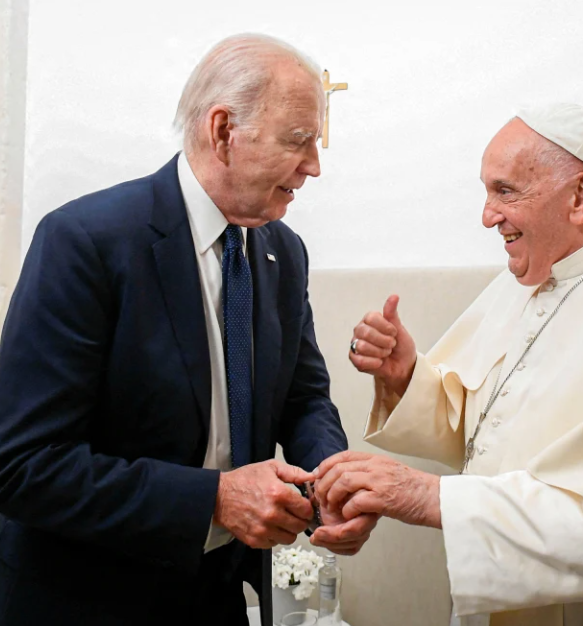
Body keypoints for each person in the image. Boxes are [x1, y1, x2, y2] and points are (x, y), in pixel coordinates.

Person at [0, 34, 376, 626]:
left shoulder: (283, 251)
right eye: (298, 142)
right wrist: (217, 499)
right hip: (88, 599)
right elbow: (23, 465)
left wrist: (333, 479)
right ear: (223, 130)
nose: (314, 167)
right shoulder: (85, 243)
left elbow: (302, 398)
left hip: (216, 595)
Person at [313, 103, 583, 625]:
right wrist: (404, 376)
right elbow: (482, 432)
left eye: (506, 191)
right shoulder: (526, 278)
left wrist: (430, 497)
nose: (487, 214)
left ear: (581, 196)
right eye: (486, 191)